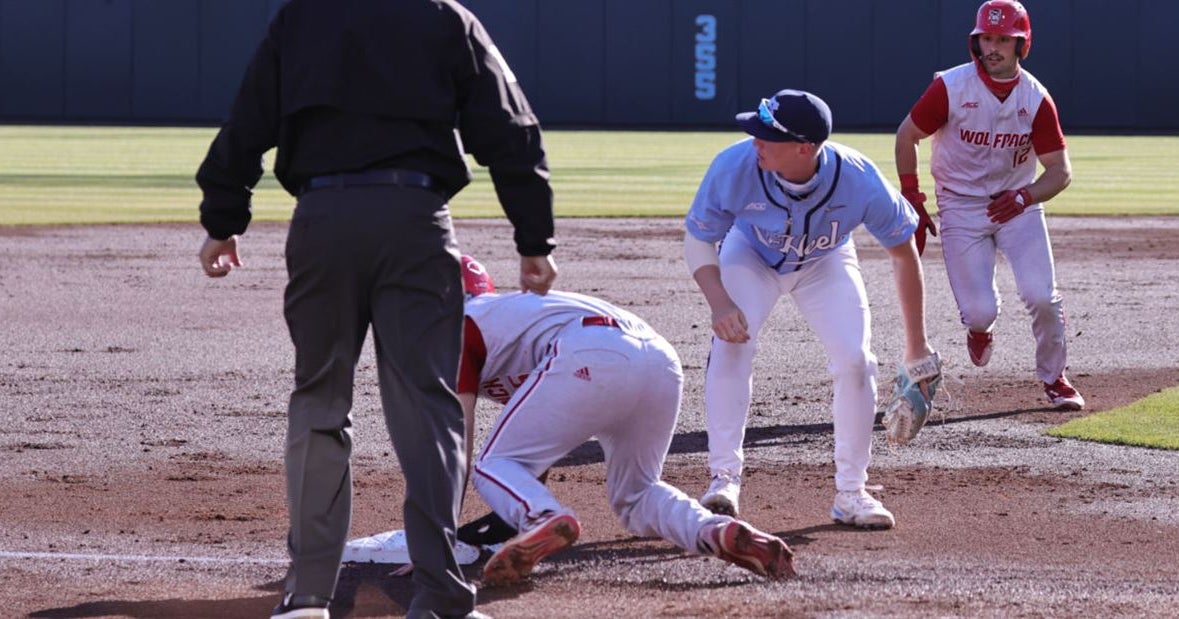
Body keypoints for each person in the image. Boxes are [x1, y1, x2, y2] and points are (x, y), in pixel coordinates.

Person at [194, 2, 558, 618]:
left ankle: (306, 596)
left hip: (322, 223)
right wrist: (534, 239)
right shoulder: (446, 17)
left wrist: (223, 220)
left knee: (319, 400)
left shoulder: (301, 17)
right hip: (415, 224)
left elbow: (248, 120)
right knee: (429, 407)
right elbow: (510, 128)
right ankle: (440, 597)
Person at [684, 88, 937, 529]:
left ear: (804, 147)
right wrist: (719, 302)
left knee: (856, 361)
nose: (755, 140)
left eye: (767, 134)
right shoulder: (734, 164)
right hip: (750, 254)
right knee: (731, 345)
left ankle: (851, 494)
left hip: (825, 261)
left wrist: (917, 346)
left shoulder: (858, 177)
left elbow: (903, 252)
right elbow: (699, 238)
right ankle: (724, 479)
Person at [457, 256, 795, 585]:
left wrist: (441, 538)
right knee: (638, 493)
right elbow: (535, 448)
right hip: (658, 358)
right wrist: (495, 525)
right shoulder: (508, 318)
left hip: (591, 351)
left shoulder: (455, 327)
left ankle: (542, 516)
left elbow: (455, 441)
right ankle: (714, 530)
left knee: (493, 463)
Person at [895, 0, 1084, 411]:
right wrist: (912, 195)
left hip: (1017, 204)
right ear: (975, 42)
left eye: (1003, 39)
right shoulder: (951, 86)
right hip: (960, 206)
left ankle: (1055, 378)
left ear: (1022, 45)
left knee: (1042, 296)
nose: (993, 47)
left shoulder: (1035, 98)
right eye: (986, 38)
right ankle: (980, 329)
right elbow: (907, 135)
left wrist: (1025, 196)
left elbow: (1060, 171)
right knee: (980, 312)